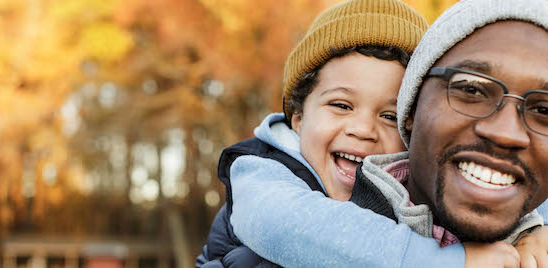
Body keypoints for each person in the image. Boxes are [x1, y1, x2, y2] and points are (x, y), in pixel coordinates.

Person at [197, 0, 548, 267]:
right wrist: (454, 261)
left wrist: (529, 234)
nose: (363, 130)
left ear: (414, 121)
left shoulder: (411, 184)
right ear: (299, 117)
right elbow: (289, 227)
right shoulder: (262, 172)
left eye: (388, 115)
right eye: (341, 105)